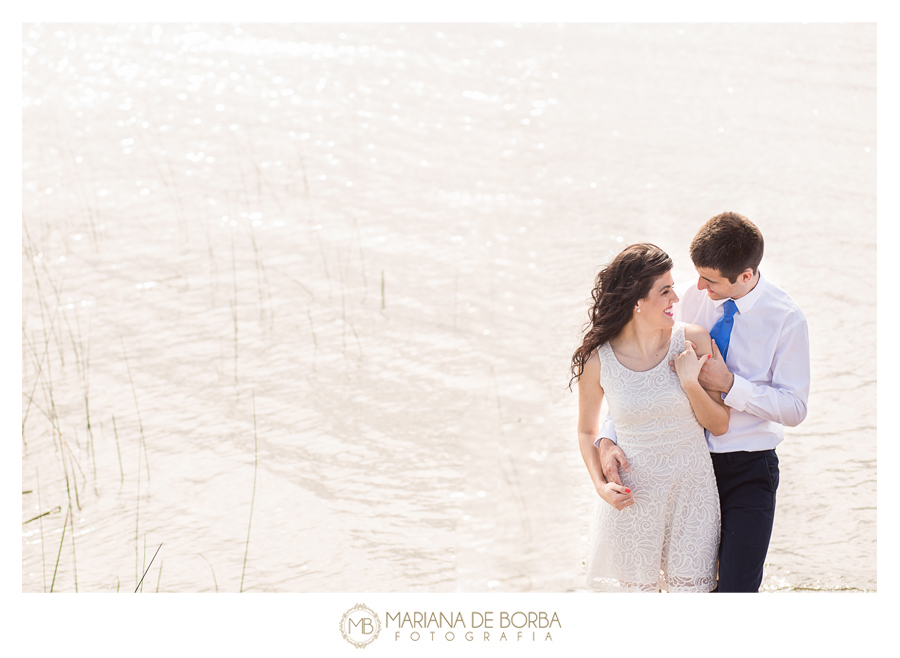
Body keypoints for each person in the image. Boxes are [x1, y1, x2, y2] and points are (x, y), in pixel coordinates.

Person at [596, 212, 810, 592]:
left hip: (748, 468)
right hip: (683, 465)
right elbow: (642, 369)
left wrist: (730, 385)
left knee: (735, 590)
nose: (696, 286)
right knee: (675, 587)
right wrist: (609, 436)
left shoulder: (786, 318)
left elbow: (794, 408)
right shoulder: (685, 299)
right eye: (697, 275)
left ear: (745, 276)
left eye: (709, 280)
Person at [573, 243, 728, 593]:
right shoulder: (598, 360)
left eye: (673, 287)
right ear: (636, 301)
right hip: (633, 499)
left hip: (692, 495)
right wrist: (600, 486)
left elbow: (719, 424)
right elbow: (586, 430)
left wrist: (690, 381)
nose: (676, 298)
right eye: (665, 291)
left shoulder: (693, 341)